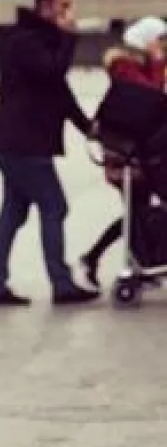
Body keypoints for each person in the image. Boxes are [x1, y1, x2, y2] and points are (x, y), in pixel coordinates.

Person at [0, 0, 99, 307]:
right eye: (64, 6)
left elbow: (59, 94)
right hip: (22, 143)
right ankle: (61, 285)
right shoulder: (27, 41)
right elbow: (52, 73)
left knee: (13, 212)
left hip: (20, 142)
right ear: (45, 6)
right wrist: (69, 37)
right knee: (54, 205)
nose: (70, 13)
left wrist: (89, 128)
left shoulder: (41, 39)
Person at [80, 16, 167, 286]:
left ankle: (140, 264)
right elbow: (150, 97)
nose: (162, 45)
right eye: (159, 40)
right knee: (135, 213)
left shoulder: (137, 64)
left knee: (138, 213)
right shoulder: (124, 66)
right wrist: (158, 63)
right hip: (125, 154)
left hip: (138, 151)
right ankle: (96, 258)